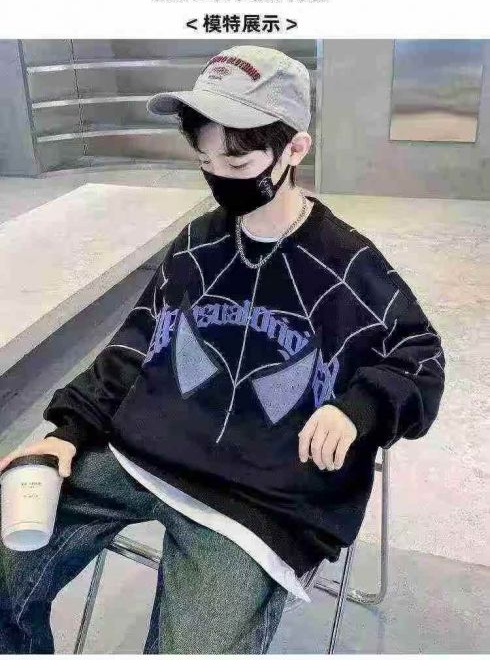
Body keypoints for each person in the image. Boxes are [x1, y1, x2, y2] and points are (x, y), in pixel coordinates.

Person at [0, 45, 446, 654]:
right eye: (205, 160)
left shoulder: (347, 264)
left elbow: (420, 357)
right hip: (144, 455)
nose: (218, 178)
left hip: (259, 500)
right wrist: (68, 430)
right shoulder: (197, 244)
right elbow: (137, 341)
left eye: (237, 162)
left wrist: (359, 408)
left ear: (294, 150)